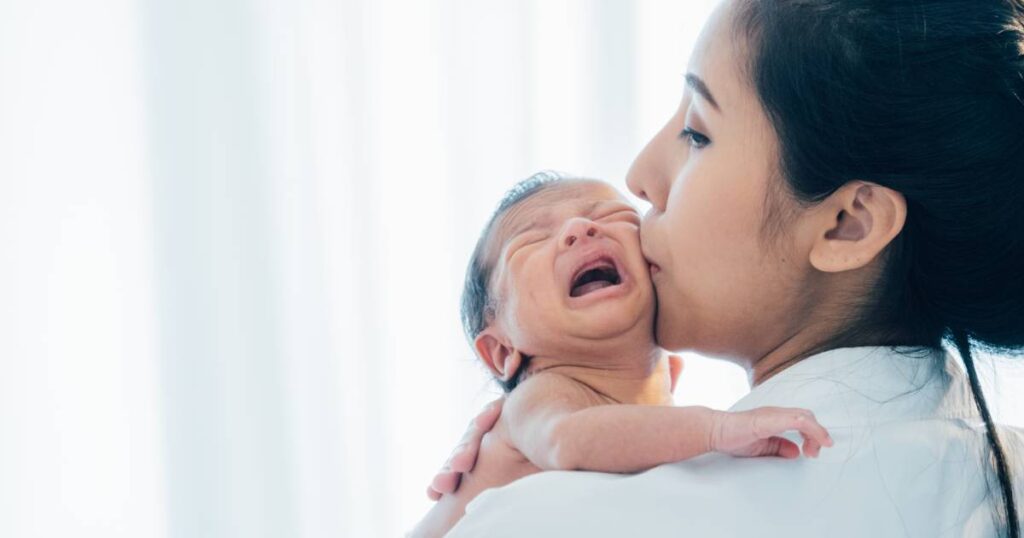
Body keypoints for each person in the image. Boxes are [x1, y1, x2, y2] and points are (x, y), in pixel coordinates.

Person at [429, 1, 1024, 536]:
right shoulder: (998, 482)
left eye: (697, 133)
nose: (639, 178)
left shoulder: (546, 519)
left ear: (848, 224)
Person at [410, 173, 833, 537]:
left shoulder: (653, 419)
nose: (580, 228)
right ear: (502, 350)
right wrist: (718, 430)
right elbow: (570, 439)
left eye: (607, 215)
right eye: (533, 238)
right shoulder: (539, 399)